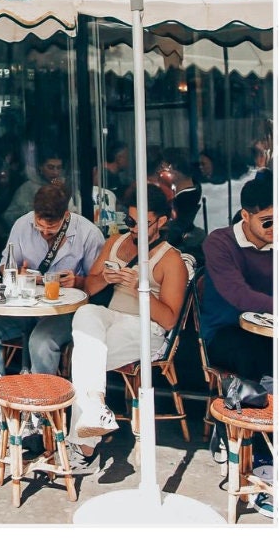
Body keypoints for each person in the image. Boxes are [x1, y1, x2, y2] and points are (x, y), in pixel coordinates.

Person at [63, 183, 188, 475]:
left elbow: (169, 320)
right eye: (130, 222)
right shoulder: (115, 243)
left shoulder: (171, 260)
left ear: (162, 221)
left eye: (142, 224)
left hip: (148, 328)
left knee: (85, 356)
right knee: (86, 314)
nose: (134, 230)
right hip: (112, 317)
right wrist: (105, 278)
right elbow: (91, 289)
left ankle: (84, 446)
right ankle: (94, 414)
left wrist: (141, 288)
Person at [0, 182, 104, 442]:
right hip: (25, 305)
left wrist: (78, 281)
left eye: (50, 229)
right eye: (40, 227)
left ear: (66, 215)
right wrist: (15, 274)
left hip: (67, 311)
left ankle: (40, 415)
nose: (44, 233)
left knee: (41, 341)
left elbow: (97, 283)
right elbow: (7, 266)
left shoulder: (88, 233)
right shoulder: (22, 225)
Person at [200, 172, 273, 385]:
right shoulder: (220, 243)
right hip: (225, 330)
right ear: (246, 215)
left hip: (271, 330)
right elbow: (238, 294)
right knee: (259, 355)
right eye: (267, 222)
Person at [2, 151, 68, 228]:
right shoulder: (27, 188)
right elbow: (9, 216)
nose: (55, 172)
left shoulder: (65, 186)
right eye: (51, 167)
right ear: (41, 167)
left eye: (59, 168)